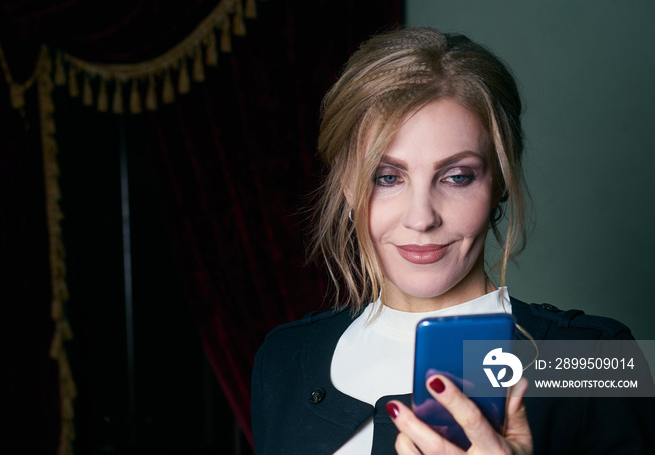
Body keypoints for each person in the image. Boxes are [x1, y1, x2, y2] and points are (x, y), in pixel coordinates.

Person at [251, 27, 655, 454]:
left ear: (499, 180)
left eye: (457, 177)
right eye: (387, 178)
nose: (421, 217)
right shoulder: (282, 359)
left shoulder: (596, 359)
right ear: (349, 186)